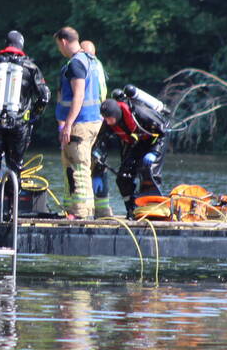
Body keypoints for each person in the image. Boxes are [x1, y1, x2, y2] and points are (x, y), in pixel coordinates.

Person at [0, 31, 50, 224]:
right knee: (15, 168)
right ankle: (11, 215)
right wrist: (32, 115)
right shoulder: (31, 67)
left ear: (5, 44)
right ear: (21, 46)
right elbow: (44, 96)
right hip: (19, 126)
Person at [54, 26, 103, 219]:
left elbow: (79, 94)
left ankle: (81, 213)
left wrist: (67, 124)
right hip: (93, 121)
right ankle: (74, 209)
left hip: (80, 124)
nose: (60, 49)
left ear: (64, 42)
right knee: (77, 165)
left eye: (59, 45)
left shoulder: (75, 63)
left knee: (78, 167)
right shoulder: (91, 61)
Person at [100, 97, 168, 218]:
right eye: (106, 119)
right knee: (123, 178)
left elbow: (164, 131)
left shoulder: (140, 113)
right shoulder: (110, 120)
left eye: (109, 119)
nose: (108, 122)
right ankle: (131, 210)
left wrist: (155, 152)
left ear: (116, 114)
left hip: (156, 140)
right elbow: (102, 139)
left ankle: (154, 211)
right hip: (138, 142)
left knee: (148, 172)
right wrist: (99, 153)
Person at [80, 39, 113, 218]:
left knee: (84, 165)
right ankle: (103, 210)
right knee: (99, 165)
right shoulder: (98, 66)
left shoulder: (83, 65)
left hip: (87, 121)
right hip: (100, 121)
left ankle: (85, 211)